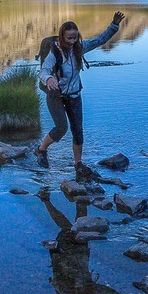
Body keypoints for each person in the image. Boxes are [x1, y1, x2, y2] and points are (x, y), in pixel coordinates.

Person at [36, 12, 125, 176]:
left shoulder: (79, 47)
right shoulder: (54, 53)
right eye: (69, 38)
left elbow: (99, 40)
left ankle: (78, 164)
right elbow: (44, 71)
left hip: (75, 95)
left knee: (78, 130)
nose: (72, 41)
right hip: (55, 95)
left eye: (75, 38)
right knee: (61, 128)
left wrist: (114, 25)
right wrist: (48, 79)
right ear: (62, 36)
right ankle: (41, 150)